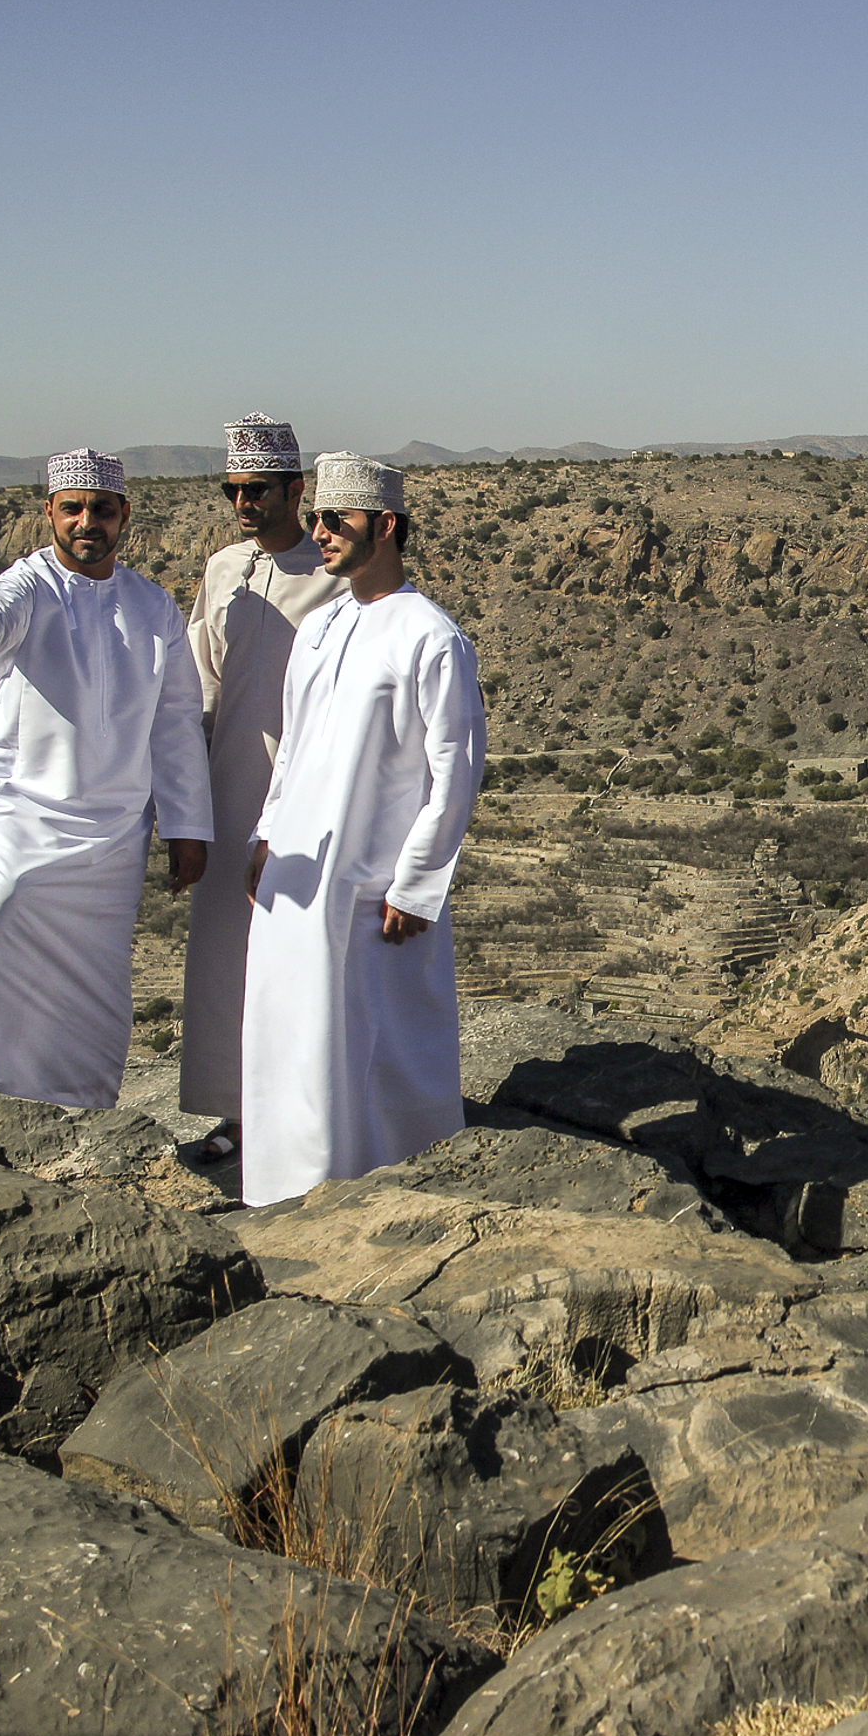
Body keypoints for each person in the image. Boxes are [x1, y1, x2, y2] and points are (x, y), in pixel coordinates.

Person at [0, 449, 211, 1114]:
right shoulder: (27, 584)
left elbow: (175, 722)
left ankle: (80, 1099)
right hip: (19, 803)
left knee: (92, 973)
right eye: (72, 508)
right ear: (50, 514)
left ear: (123, 516)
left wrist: (186, 827)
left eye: (100, 508)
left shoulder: (153, 608)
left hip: (113, 824)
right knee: (5, 894)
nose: (85, 520)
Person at [240, 453, 482, 1206]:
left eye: (334, 522)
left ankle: (385, 1195)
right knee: (289, 1037)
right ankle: (281, 1194)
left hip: (373, 885)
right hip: (297, 871)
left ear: (383, 526)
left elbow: (457, 772)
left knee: (377, 1044)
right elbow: (296, 744)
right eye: (315, 519)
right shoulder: (318, 627)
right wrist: (266, 834)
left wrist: (415, 885)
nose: (318, 533)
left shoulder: (430, 636)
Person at [176, 413, 345, 1162]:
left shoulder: (335, 574)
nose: (245, 503)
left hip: (305, 791)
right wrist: (181, 796)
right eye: (234, 490)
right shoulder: (223, 570)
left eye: (259, 490)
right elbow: (199, 682)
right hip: (226, 785)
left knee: (300, 956)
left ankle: (311, 1112)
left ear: (294, 490)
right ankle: (239, 1115)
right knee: (225, 957)